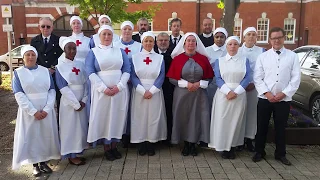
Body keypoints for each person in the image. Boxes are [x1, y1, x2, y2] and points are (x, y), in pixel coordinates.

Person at [253, 27, 301, 166]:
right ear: (270, 40)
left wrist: (283, 93)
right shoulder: (263, 57)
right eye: (274, 38)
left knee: (281, 127)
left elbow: (295, 78)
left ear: (283, 38)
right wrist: (267, 94)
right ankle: (259, 151)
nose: (276, 40)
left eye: (279, 37)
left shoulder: (292, 56)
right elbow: (258, 77)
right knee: (261, 126)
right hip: (265, 98)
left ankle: (280, 154)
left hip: (283, 99)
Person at [12, 45, 60, 176]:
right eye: (27, 55)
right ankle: (35, 164)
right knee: (32, 136)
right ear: (23, 57)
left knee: (45, 136)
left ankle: (44, 162)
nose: (30, 57)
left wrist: (47, 109)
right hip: (29, 112)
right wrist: (33, 111)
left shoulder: (45, 71)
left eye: (33, 55)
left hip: (45, 110)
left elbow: (51, 90)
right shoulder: (18, 73)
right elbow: (19, 94)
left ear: (36, 57)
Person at [85, 25, 131, 161]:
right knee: (104, 118)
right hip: (101, 92)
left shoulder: (120, 51)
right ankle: (106, 147)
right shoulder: (93, 52)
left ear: (113, 36)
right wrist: (103, 88)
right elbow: (90, 71)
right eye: (104, 34)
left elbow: (127, 69)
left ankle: (114, 145)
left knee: (117, 116)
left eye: (109, 34)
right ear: (99, 36)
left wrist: (120, 86)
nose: (106, 37)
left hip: (119, 91)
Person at [167, 33, 214, 156]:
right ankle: (185, 144)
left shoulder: (203, 59)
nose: (191, 43)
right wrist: (186, 84)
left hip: (199, 94)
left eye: (193, 41)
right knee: (183, 117)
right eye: (188, 41)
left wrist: (199, 84)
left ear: (196, 44)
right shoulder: (178, 59)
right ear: (184, 43)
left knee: (197, 117)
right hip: (182, 94)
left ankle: (194, 144)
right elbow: (172, 78)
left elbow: (209, 77)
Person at [208, 36, 251, 159]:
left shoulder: (244, 60)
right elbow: (218, 78)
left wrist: (236, 92)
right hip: (223, 94)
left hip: (239, 94)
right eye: (230, 44)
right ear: (226, 46)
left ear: (239, 46)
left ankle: (232, 146)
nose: (232, 46)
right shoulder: (219, 61)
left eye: (235, 44)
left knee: (235, 121)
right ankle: (222, 146)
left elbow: (247, 77)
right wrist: (227, 91)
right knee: (223, 120)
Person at [130, 31, 167, 156]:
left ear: (154, 42)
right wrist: (142, 90)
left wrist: (152, 90)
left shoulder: (159, 58)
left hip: (154, 91)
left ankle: (151, 142)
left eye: (151, 41)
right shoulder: (134, 58)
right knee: (140, 117)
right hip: (139, 91)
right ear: (142, 42)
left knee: (153, 117)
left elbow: (161, 76)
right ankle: (141, 143)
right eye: (146, 41)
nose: (148, 43)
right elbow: (133, 76)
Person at [55, 38, 88, 166]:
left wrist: (84, 100)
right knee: (70, 129)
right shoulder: (60, 66)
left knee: (80, 128)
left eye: (74, 48)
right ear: (64, 49)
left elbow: (85, 84)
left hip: (81, 101)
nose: (72, 51)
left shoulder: (80, 64)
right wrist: (76, 104)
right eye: (69, 48)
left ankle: (78, 152)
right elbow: (62, 87)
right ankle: (71, 155)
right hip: (69, 103)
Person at [113, 21, 142, 148]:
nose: (127, 31)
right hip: (120, 82)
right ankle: (122, 135)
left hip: (134, 82)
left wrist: (133, 77)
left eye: (129, 29)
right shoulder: (115, 45)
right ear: (121, 30)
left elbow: (141, 63)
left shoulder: (139, 46)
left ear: (132, 31)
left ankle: (132, 134)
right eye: (124, 29)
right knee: (121, 108)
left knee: (133, 109)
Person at [237, 27, 265, 152]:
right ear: (244, 37)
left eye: (254, 35)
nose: (251, 37)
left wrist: (253, 82)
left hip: (255, 87)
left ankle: (249, 139)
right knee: (240, 112)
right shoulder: (237, 50)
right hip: (240, 87)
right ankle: (239, 139)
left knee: (252, 113)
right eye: (249, 34)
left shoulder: (261, 51)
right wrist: (243, 84)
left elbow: (263, 70)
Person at [30, 17, 63, 114]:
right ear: (39, 27)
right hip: (41, 75)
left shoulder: (58, 40)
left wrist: (52, 68)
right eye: (43, 26)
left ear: (52, 28)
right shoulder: (34, 41)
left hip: (55, 74)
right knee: (43, 100)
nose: (45, 28)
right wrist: (43, 70)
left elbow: (61, 58)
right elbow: (33, 58)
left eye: (48, 26)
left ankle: (58, 124)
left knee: (58, 99)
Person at [154, 32, 174, 146]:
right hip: (155, 88)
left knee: (168, 111)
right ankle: (156, 137)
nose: (163, 42)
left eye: (165, 40)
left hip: (169, 88)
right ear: (156, 42)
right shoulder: (152, 54)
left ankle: (168, 137)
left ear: (169, 42)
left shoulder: (173, 55)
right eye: (160, 40)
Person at [205, 27, 228, 110]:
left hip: (225, 82)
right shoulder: (207, 50)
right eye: (217, 37)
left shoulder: (229, 50)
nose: (219, 39)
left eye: (222, 37)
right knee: (210, 105)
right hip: (211, 82)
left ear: (225, 38)